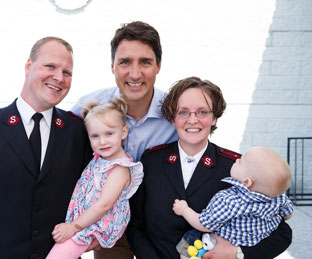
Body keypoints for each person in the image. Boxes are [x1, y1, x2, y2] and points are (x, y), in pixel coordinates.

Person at [0, 37, 93, 259]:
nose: (59, 77)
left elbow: (99, 192)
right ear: (28, 66)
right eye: (50, 66)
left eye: (67, 72)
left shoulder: (79, 132)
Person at [126, 76, 292, 258]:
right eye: (183, 112)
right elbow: (136, 224)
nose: (192, 120)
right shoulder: (152, 159)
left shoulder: (236, 167)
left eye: (202, 112)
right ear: (172, 118)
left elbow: (282, 233)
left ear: (214, 118)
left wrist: (236, 253)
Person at [71, 21, 177, 259]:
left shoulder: (174, 112)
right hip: (106, 226)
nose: (135, 74)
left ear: (159, 66)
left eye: (145, 62)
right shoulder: (89, 107)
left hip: (157, 228)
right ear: (112, 66)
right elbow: (52, 138)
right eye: (125, 62)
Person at [45, 98, 143, 259]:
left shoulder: (120, 168)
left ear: (123, 132)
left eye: (109, 134)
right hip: (84, 222)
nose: (102, 141)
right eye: (95, 136)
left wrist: (72, 227)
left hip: (94, 225)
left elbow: (104, 205)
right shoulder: (100, 159)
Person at [173, 146, 293, 258]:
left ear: (246, 182)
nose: (236, 160)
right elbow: (288, 215)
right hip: (253, 243)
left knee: (190, 238)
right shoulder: (279, 197)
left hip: (217, 242)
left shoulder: (229, 200)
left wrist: (184, 210)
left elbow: (204, 225)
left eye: (239, 162)